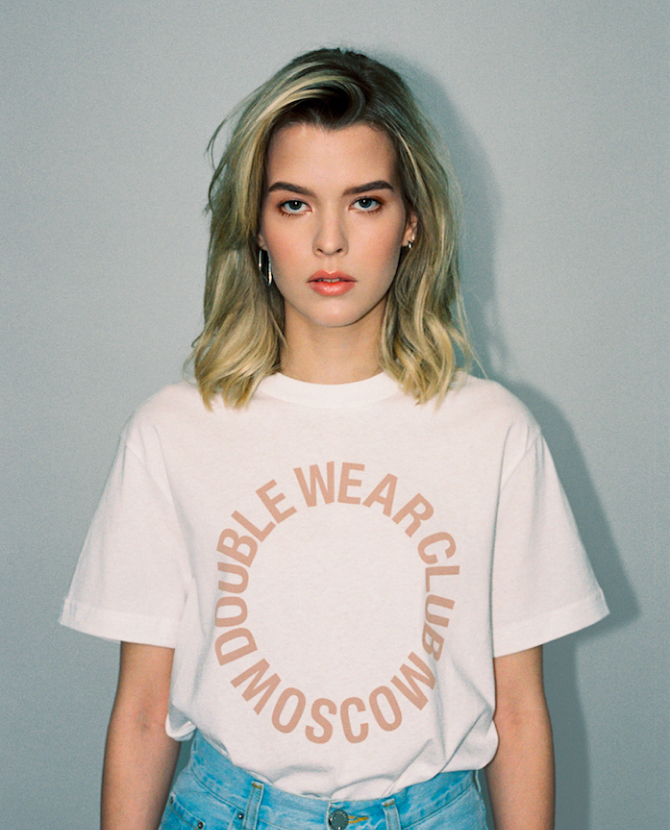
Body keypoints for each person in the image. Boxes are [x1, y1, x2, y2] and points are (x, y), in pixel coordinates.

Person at [60, 48, 608, 830]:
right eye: (294, 204)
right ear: (256, 225)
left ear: (412, 221)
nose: (329, 241)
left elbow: (518, 714)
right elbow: (145, 712)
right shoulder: (171, 433)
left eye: (365, 202)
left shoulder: (495, 434)